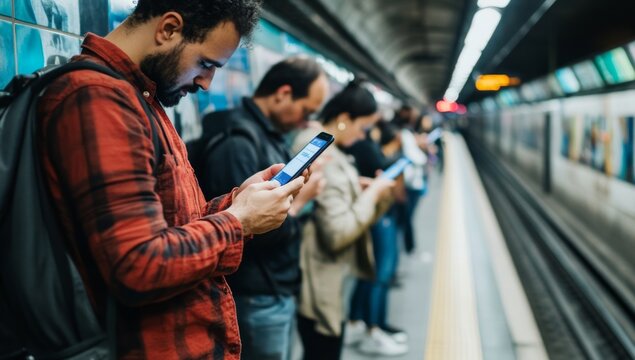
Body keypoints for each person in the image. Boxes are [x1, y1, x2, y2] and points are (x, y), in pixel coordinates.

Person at [35, 1, 307, 359]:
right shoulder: (99, 99)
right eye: (205, 64)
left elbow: (172, 226)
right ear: (168, 29)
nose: (206, 83)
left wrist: (240, 202)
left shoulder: (139, 97)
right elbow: (138, 264)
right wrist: (238, 221)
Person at [196, 57, 329, 360]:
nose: (306, 121)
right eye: (306, 110)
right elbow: (245, 233)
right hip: (256, 295)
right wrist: (301, 201)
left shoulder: (265, 134)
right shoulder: (238, 143)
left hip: (273, 289)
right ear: (283, 93)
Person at [293, 80, 395, 360]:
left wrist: (358, 189)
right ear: (343, 119)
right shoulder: (323, 153)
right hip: (319, 277)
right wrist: (372, 194)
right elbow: (337, 232)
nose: (363, 137)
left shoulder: (324, 146)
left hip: (325, 275)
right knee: (323, 350)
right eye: (362, 128)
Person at [344, 121, 408, 356]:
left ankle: (365, 322)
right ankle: (373, 327)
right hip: (377, 216)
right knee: (379, 273)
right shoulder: (365, 147)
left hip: (375, 214)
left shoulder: (361, 145)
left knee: (373, 273)